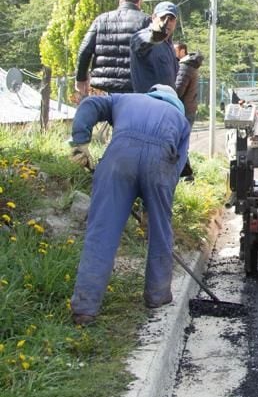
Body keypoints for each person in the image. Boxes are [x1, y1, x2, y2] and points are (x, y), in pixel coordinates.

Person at [67, 85, 191, 325]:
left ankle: (85, 308)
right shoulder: (181, 120)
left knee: (102, 230)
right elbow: (176, 168)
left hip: (119, 158)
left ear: (151, 93)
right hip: (161, 163)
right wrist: (151, 209)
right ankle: (158, 295)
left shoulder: (124, 99)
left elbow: (89, 104)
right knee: (161, 232)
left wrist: (80, 142)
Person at [74, 0, 151, 97]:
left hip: (102, 88)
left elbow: (84, 50)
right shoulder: (146, 21)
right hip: (134, 88)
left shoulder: (101, 20)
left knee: (104, 114)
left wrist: (81, 78)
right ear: (139, 2)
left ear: (120, 1)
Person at [131, 1, 180, 92]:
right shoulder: (144, 36)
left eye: (171, 19)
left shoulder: (169, 45)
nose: (167, 22)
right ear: (153, 17)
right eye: (163, 18)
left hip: (167, 101)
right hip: (148, 102)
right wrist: (153, 37)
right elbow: (138, 42)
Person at [173, 42, 203, 124]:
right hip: (189, 109)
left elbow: (178, 91)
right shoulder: (191, 64)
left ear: (182, 51)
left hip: (183, 111)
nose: (172, 52)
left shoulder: (185, 67)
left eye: (174, 50)